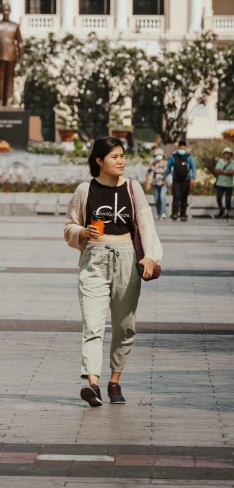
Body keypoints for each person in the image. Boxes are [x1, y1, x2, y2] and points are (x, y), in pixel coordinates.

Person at [64, 137, 162, 408]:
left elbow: (146, 224)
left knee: (124, 327)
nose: (121, 161)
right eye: (114, 157)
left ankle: (114, 380)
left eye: (122, 156)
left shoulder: (132, 188)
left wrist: (151, 257)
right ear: (99, 161)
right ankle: (92, 383)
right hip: (94, 260)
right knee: (93, 324)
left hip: (127, 261)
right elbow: (69, 227)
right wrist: (83, 231)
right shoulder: (86, 190)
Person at [163, 140, 197, 222]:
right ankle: (174, 214)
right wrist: (164, 178)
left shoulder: (189, 157)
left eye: (183, 147)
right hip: (176, 179)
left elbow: (193, 168)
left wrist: (193, 178)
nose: (182, 148)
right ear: (178, 147)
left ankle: (183, 214)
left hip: (186, 179)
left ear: (185, 148)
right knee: (176, 196)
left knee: (184, 197)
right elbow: (168, 168)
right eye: (180, 147)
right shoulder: (173, 157)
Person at [146, 150, 168, 219]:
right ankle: (159, 213)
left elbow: (168, 173)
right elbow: (147, 174)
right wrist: (148, 183)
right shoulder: (153, 164)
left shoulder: (165, 164)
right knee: (157, 199)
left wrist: (165, 180)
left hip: (163, 183)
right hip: (155, 183)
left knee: (162, 197)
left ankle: (163, 212)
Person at [214, 146, 234, 219]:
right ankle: (221, 209)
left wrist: (223, 171)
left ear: (231, 155)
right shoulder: (220, 161)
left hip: (229, 184)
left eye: (229, 154)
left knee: (228, 199)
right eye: (226, 153)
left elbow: (232, 172)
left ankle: (227, 213)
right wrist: (226, 172)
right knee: (218, 197)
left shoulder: (233, 162)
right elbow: (217, 170)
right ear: (223, 154)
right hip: (220, 183)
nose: (227, 155)